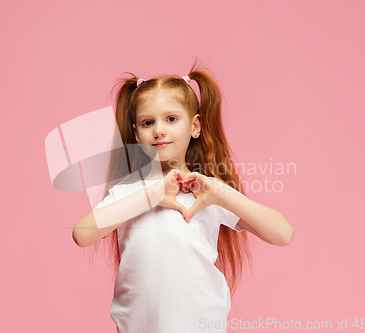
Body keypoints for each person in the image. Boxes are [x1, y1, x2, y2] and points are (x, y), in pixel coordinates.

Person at [72, 61, 294, 333]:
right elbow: (82, 234)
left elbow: (282, 233)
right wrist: (152, 195)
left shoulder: (208, 192)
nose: (159, 130)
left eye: (171, 119)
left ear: (195, 126)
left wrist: (221, 194)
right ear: (135, 133)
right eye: (147, 122)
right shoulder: (130, 193)